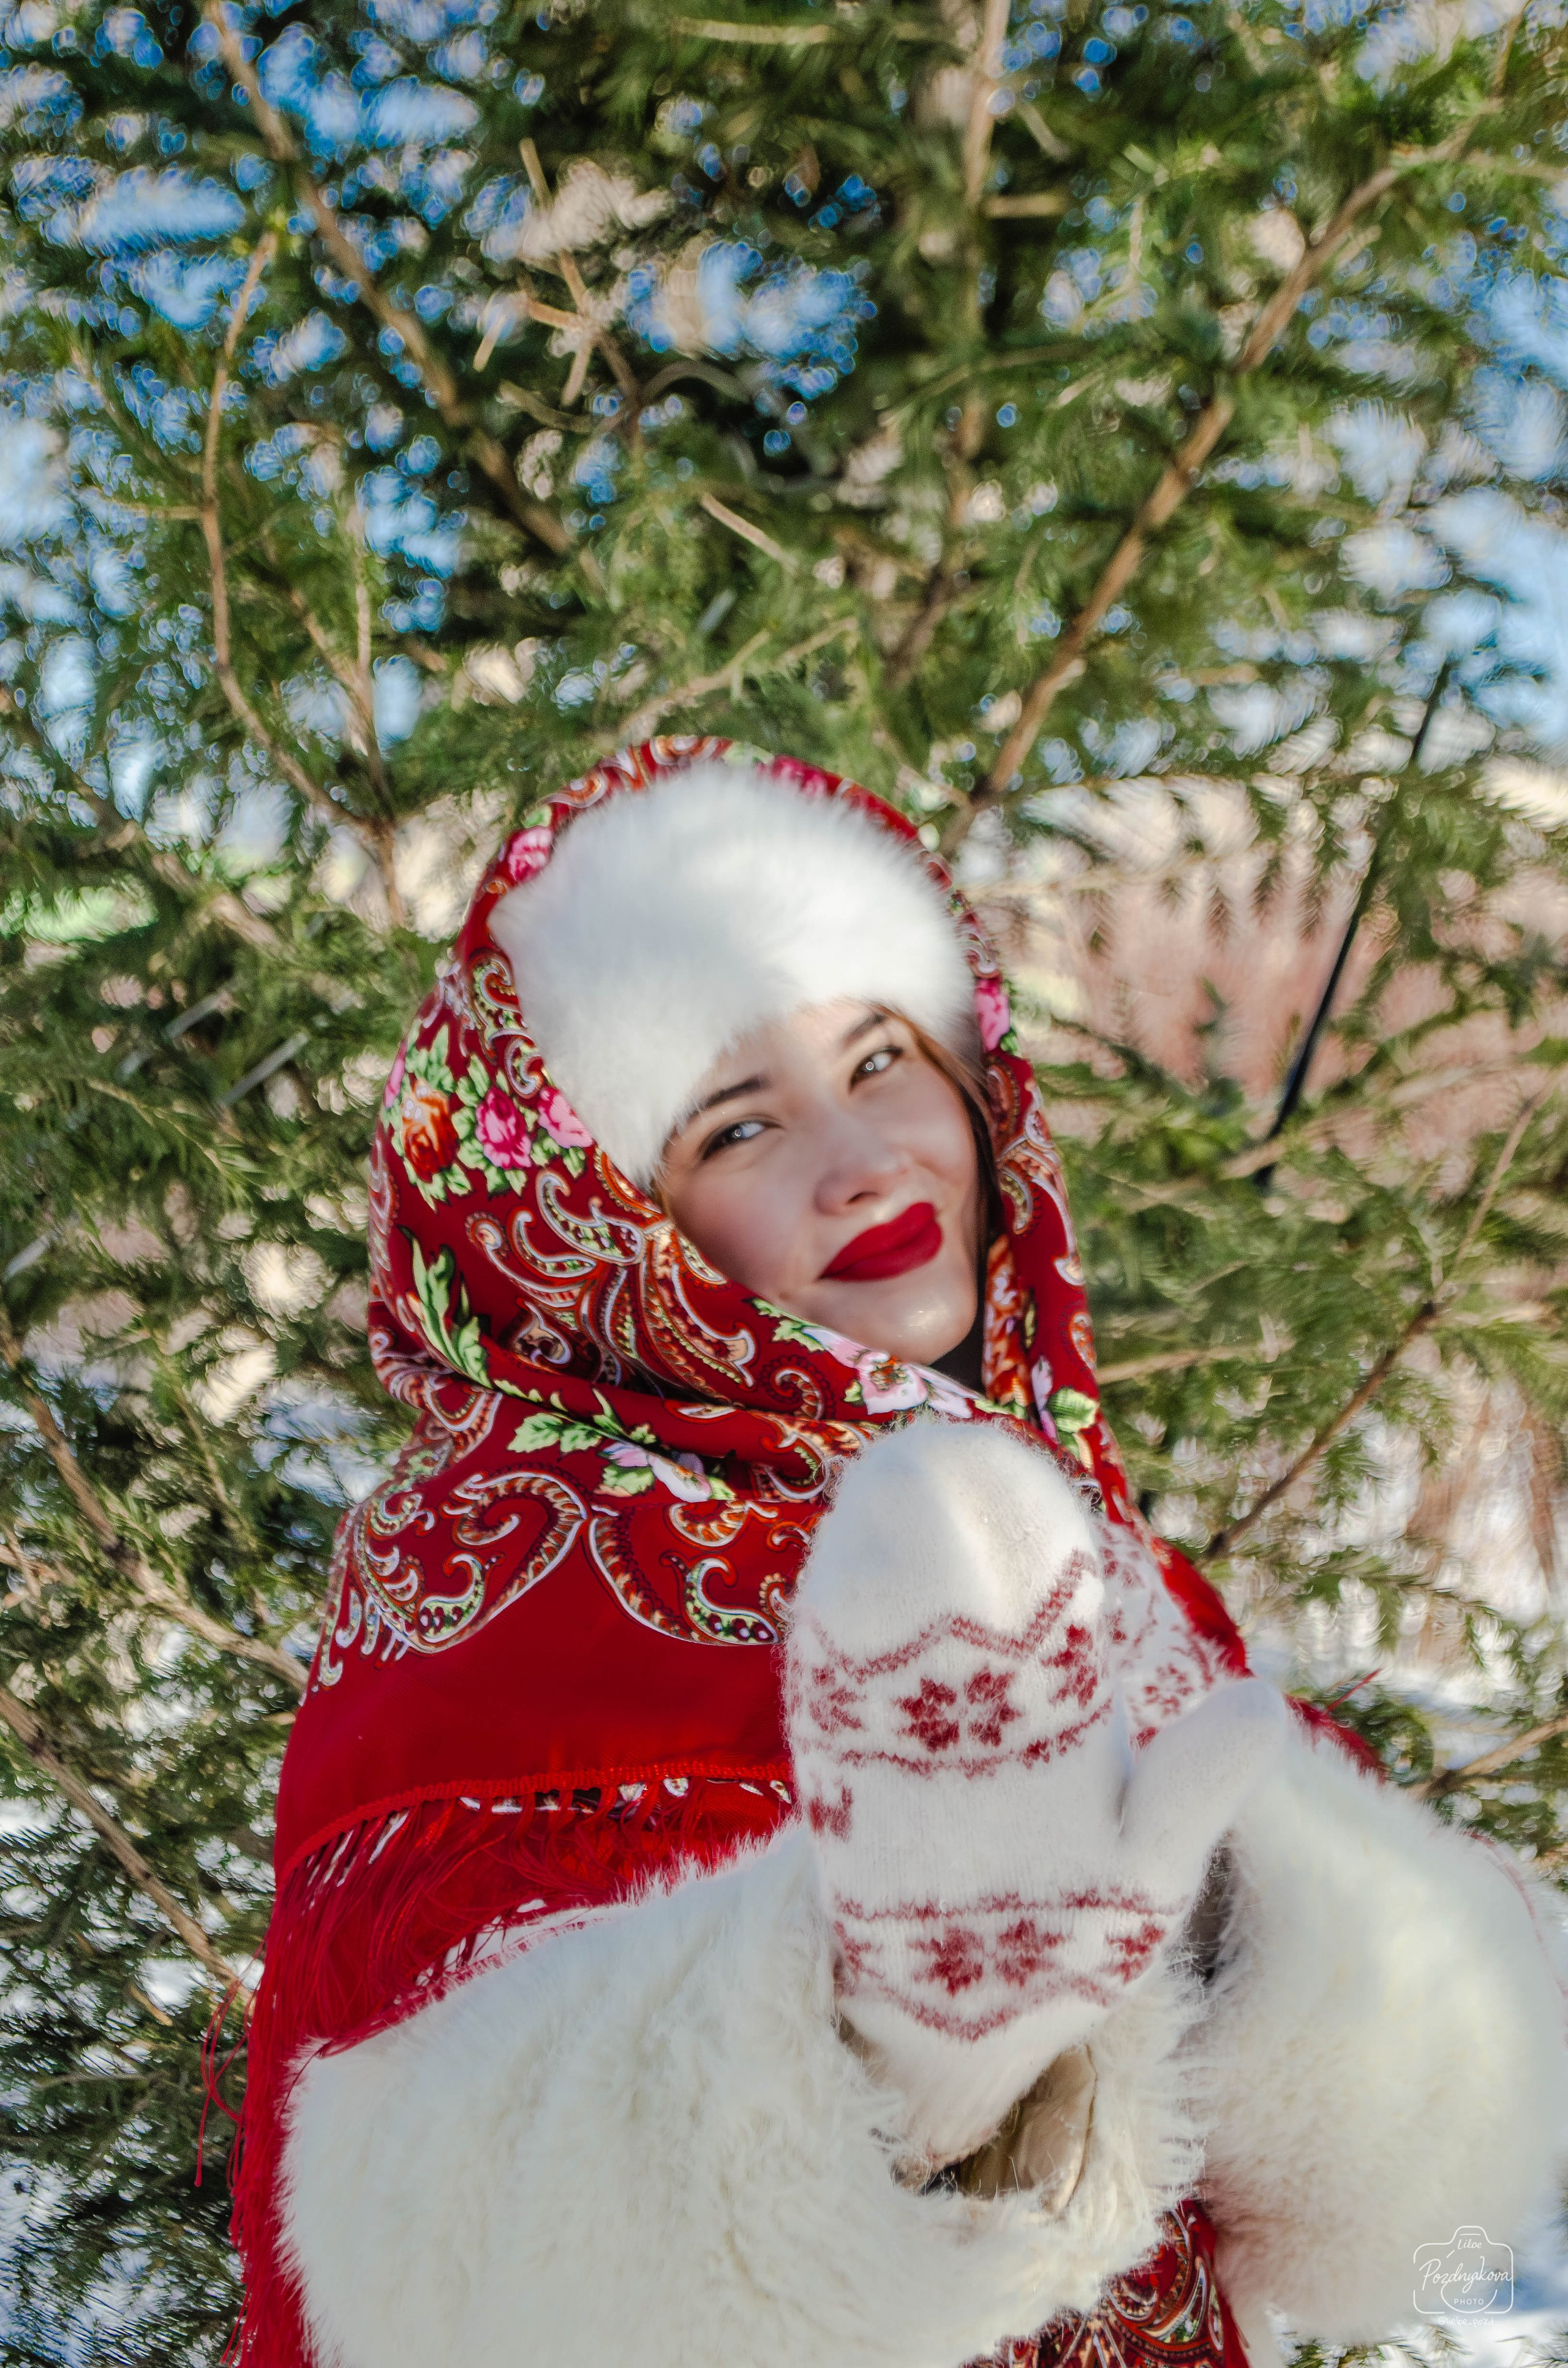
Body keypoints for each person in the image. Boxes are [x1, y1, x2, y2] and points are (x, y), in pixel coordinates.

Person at [234, 741, 1567, 2368]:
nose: (864, 1156)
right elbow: (426, 2270)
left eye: (883, 1055)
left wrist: (1262, 1933)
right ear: (599, 1229)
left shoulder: (1083, 1550)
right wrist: (882, 2073)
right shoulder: (493, 1598)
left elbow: (1424, 2239)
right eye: (735, 1125)